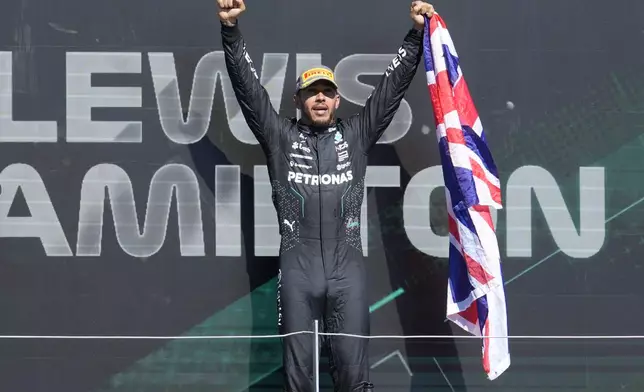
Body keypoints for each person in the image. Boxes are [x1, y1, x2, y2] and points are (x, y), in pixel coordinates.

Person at [217, 1, 434, 390]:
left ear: (337, 101)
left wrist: (416, 35)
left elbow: (389, 90)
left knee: (354, 377)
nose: (319, 98)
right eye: (311, 92)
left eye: (327, 92)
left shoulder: (356, 134)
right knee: (298, 378)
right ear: (298, 101)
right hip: (297, 272)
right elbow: (248, 91)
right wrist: (231, 32)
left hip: (346, 271)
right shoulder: (280, 136)